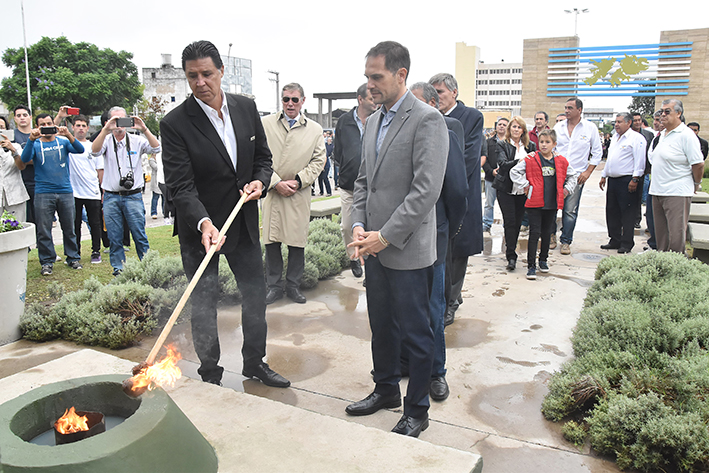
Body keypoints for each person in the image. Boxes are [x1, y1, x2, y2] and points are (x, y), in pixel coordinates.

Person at [161, 40, 289, 388]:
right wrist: (203, 222)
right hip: (199, 230)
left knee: (254, 295)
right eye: (192, 76)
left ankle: (254, 363)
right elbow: (180, 186)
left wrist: (260, 183)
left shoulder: (246, 108)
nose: (200, 82)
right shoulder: (174, 124)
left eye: (206, 74)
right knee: (204, 303)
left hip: (241, 223)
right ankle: (210, 374)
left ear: (221, 72)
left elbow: (263, 159)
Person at [346, 41, 448, 438]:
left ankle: (417, 410)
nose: (369, 84)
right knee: (382, 326)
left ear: (401, 75)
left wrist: (384, 237)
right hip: (372, 246)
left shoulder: (426, 120)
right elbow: (362, 183)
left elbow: (426, 191)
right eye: (367, 76)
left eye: (377, 76)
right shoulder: (372, 121)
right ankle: (386, 389)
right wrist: (358, 225)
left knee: (416, 332)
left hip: (405, 249)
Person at [409, 81, 467, 402]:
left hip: (435, 235)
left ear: (433, 104)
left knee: (433, 307)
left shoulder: (448, 131)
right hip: (401, 236)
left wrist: (449, 228)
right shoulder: (400, 130)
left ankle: (436, 372)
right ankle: (409, 363)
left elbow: (458, 191)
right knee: (405, 306)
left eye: (417, 103)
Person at [261, 83, 326, 305]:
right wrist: (275, 182)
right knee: (272, 241)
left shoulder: (315, 129)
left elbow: (319, 160)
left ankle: (293, 286)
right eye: (286, 99)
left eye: (294, 100)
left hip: (299, 193)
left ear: (303, 101)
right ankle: (274, 286)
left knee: (297, 242)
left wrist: (298, 181)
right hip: (273, 191)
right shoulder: (266, 124)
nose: (290, 104)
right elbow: (258, 157)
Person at [428, 72, 484, 326]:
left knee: (458, 251)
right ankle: (447, 295)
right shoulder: (428, 117)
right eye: (433, 92)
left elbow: (468, 159)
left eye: (440, 92)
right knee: (440, 251)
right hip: (433, 196)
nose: (435, 97)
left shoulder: (471, 117)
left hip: (459, 192)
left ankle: (450, 302)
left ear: (454, 92)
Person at [92, 107, 160, 276]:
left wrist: (144, 128)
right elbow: (94, 151)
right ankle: (118, 270)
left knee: (139, 234)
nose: (119, 125)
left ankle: (148, 267)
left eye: (122, 120)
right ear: (109, 121)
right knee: (114, 238)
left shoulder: (136, 140)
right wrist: (105, 130)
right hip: (111, 196)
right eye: (115, 120)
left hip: (133, 196)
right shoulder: (106, 140)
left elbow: (156, 148)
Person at [20, 114, 84, 275]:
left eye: (49, 123)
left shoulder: (62, 142)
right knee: (43, 229)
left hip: (65, 190)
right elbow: (24, 158)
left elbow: (80, 149)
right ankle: (47, 261)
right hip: (43, 191)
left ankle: (73, 257)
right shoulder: (35, 144)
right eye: (43, 124)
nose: (47, 126)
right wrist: (31, 139)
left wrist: (69, 134)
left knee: (69, 227)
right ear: (37, 127)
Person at [510, 129, 575, 279]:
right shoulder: (531, 158)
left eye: (547, 142)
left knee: (547, 233)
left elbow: (573, 175)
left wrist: (566, 190)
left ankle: (543, 260)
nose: (544, 145)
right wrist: (526, 186)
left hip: (551, 203)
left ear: (554, 144)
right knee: (534, 233)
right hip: (534, 202)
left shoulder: (561, 161)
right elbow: (514, 172)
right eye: (541, 142)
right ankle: (531, 266)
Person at [332, 82, 378, 278]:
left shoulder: (380, 119)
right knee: (347, 226)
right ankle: (354, 258)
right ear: (360, 100)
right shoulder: (344, 121)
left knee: (372, 226)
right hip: (349, 185)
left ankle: (372, 267)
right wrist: (344, 170)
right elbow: (338, 150)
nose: (375, 100)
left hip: (373, 186)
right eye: (370, 97)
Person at [649, 99, 704, 254]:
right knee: (661, 238)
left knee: (676, 236)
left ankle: (677, 269)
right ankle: (663, 268)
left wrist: (696, 183)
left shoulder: (686, 135)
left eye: (667, 111)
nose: (663, 115)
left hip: (677, 192)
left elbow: (698, 164)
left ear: (679, 113)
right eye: (661, 112)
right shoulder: (664, 134)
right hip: (658, 191)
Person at [552, 97, 602, 255]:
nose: (566, 111)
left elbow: (597, 152)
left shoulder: (590, 128)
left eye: (570, 108)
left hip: (576, 176)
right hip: (556, 174)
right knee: (551, 208)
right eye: (565, 108)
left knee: (570, 210)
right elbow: (550, 147)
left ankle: (566, 241)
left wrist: (587, 172)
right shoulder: (558, 127)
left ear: (579, 110)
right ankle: (551, 235)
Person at [55, 110, 104, 263]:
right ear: (72, 127)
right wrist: (60, 116)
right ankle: (74, 252)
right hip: (73, 192)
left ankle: (96, 251)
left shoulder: (93, 147)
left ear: (88, 128)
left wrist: (102, 190)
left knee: (95, 223)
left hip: (92, 191)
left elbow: (100, 170)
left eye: (83, 126)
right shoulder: (65, 144)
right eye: (78, 125)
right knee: (73, 225)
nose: (81, 128)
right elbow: (51, 132)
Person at [598, 113, 646, 253]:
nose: (616, 125)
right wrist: (604, 175)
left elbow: (639, 161)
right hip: (613, 180)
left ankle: (626, 243)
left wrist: (635, 178)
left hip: (628, 180)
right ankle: (615, 240)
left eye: (619, 122)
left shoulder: (636, 138)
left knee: (627, 212)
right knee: (612, 211)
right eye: (615, 122)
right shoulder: (615, 138)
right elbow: (611, 158)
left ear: (629, 122)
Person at [493, 116, 536, 270]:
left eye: (519, 127)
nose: (516, 130)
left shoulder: (530, 146)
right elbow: (503, 165)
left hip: (523, 190)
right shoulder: (502, 145)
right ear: (509, 129)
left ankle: (512, 247)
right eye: (513, 127)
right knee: (510, 222)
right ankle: (511, 256)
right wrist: (522, 161)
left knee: (518, 222)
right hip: (506, 189)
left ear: (523, 130)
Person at [482, 118, 508, 233]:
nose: (501, 126)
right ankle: (487, 223)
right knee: (489, 203)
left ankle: (506, 224)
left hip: (506, 179)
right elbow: (484, 159)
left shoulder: (510, 142)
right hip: (491, 178)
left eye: (504, 125)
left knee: (506, 205)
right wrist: (491, 171)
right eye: (499, 124)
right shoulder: (489, 142)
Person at [0, 126, 29, 221]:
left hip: (16, 195)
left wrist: (13, 150)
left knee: (18, 228)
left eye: (2, 128)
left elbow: (22, 166)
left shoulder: (16, 146)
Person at [12, 105, 35, 223]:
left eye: (25, 115)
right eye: (18, 115)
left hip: (37, 182)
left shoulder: (36, 134)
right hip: (18, 182)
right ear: (15, 118)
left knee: (39, 219)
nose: (22, 118)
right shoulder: (12, 136)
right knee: (24, 220)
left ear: (30, 117)